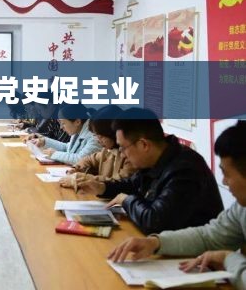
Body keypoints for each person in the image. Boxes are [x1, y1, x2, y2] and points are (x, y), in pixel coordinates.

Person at [108, 121, 246, 290]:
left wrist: (229, 259)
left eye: (226, 174)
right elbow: (208, 236)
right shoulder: (241, 207)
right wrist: (156, 243)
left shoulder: (185, 167)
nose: (224, 181)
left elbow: (156, 220)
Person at [77, 108, 223, 234]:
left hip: (193, 253)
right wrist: (102, 187)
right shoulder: (157, 157)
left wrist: (127, 200)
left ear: (143, 145)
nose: (121, 154)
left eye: (123, 148)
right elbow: (130, 184)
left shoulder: (185, 170)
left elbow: (155, 221)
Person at [59, 105, 136, 188]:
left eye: (101, 136)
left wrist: (86, 178)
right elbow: (89, 159)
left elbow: (119, 183)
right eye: (96, 136)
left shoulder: (130, 156)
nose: (98, 140)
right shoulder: (106, 151)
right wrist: (75, 169)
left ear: (113, 133)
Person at [27, 103, 100, 165]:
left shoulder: (94, 136)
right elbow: (67, 148)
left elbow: (80, 159)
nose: (61, 127)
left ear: (77, 122)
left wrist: (54, 154)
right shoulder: (78, 129)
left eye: (63, 123)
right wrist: (44, 141)